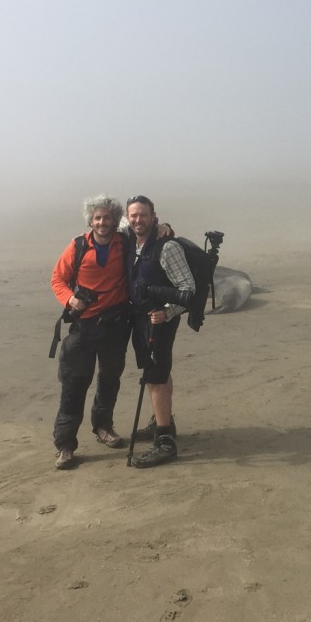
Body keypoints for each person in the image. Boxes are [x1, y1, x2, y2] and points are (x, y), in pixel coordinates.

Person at [49, 195, 133, 469]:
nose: (102, 222)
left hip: (115, 326)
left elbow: (149, 229)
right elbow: (58, 278)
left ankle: (103, 428)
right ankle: (65, 445)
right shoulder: (78, 246)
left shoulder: (125, 242)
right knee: (75, 384)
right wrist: (69, 299)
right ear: (90, 220)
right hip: (83, 327)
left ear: (114, 219)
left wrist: (165, 227)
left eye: (107, 217)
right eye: (97, 217)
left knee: (110, 380)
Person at [124, 194, 196, 468]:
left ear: (153, 216)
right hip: (140, 318)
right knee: (158, 372)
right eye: (133, 215)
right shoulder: (132, 239)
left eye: (143, 215)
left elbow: (188, 289)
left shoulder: (167, 247)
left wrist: (167, 312)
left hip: (160, 320)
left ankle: (165, 440)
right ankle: (162, 420)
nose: (137, 220)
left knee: (154, 376)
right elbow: (109, 225)